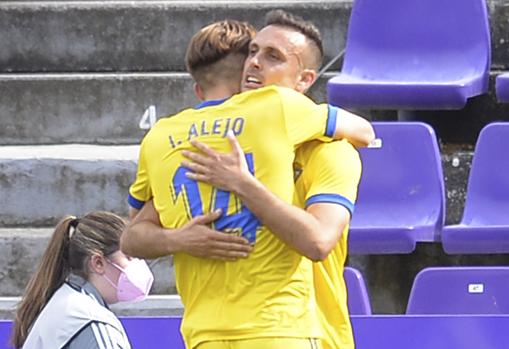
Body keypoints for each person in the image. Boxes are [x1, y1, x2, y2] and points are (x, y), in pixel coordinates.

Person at [122, 18, 372, 349]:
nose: (254, 62)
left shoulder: (331, 152)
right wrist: (178, 238)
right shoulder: (215, 152)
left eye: (273, 56)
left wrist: (243, 184)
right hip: (215, 333)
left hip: (305, 332)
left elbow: (318, 241)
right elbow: (133, 236)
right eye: (252, 53)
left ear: (305, 80)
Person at [12, 211, 154, 349]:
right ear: (98, 263)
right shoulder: (92, 321)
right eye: (129, 256)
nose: (138, 263)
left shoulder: (65, 302)